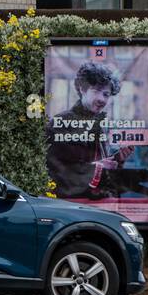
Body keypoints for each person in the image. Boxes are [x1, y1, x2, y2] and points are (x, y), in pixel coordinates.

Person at [45, 61, 135, 199]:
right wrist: (98, 167)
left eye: (106, 94)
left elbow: (99, 170)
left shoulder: (100, 124)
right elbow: (55, 171)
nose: (101, 99)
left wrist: (117, 159)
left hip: (100, 203)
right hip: (73, 207)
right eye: (96, 91)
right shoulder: (60, 122)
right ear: (82, 89)